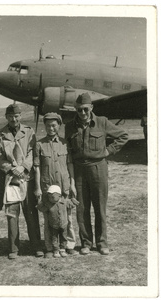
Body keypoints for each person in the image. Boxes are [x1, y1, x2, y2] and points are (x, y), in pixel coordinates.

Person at [65, 93, 128, 256]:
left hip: (98, 169)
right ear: (76, 110)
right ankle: (86, 243)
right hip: (79, 170)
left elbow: (123, 136)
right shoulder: (69, 126)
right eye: (79, 110)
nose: (83, 113)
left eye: (85, 109)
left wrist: (109, 150)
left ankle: (102, 243)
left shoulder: (102, 122)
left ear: (91, 108)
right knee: (82, 208)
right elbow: (68, 151)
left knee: (100, 207)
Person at [0, 104, 43, 259]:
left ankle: (36, 246)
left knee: (31, 212)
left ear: (20, 116)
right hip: (10, 180)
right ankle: (13, 249)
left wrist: (24, 167)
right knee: (12, 214)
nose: (14, 119)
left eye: (16, 116)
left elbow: (32, 152)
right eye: (10, 117)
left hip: (27, 177)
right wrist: (11, 168)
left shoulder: (29, 132)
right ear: (6, 117)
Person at [34, 112, 79, 258]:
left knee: (68, 218)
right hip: (48, 188)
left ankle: (69, 245)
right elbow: (37, 167)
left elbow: (70, 163)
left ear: (59, 126)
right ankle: (49, 247)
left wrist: (72, 183)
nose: (51, 128)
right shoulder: (40, 144)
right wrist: (38, 187)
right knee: (49, 220)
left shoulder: (65, 143)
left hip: (63, 187)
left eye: (53, 125)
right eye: (48, 125)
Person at [37, 185, 77, 258]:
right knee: (54, 238)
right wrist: (39, 202)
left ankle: (63, 249)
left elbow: (72, 204)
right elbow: (41, 208)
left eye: (52, 197)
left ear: (59, 196)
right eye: (49, 197)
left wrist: (74, 201)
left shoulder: (65, 201)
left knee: (64, 237)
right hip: (53, 225)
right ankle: (56, 250)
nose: (50, 199)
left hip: (64, 225)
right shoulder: (48, 204)